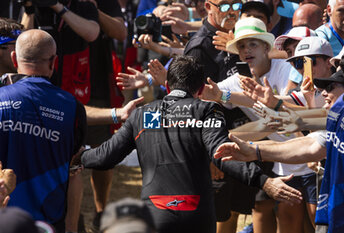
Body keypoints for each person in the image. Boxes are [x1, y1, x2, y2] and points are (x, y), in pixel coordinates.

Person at [76, 55, 302, 233]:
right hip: (196, 214)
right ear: (201, 90)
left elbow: (106, 156)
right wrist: (265, 182)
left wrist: (77, 157)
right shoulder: (207, 109)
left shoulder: (143, 115)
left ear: (167, 84)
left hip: (155, 213)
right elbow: (222, 154)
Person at [214, 59, 344, 232]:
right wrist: (255, 150)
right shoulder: (339, 110)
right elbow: (310, 142)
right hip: (333, 211)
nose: (324, 93)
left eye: (331, 87)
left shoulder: (341, 110)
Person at [0, 29, 87, 233]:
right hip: (49, 222)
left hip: (4, 218)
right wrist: (72, 228)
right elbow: (75, 172)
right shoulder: (73, 107)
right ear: (53, 62)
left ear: (14, 59)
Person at [86, 0, 127, 231]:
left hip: (97, 84)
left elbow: (120, 32)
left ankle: (100, 212)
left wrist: (93, 9)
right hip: (57, 80)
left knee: (103, 154)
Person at [183, 0, 242, 82]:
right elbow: (198, 93)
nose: (232, 11)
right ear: (208, 7)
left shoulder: (243, 34)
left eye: (236, 5)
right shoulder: (199, 48)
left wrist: (238, 50)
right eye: (224, 7)